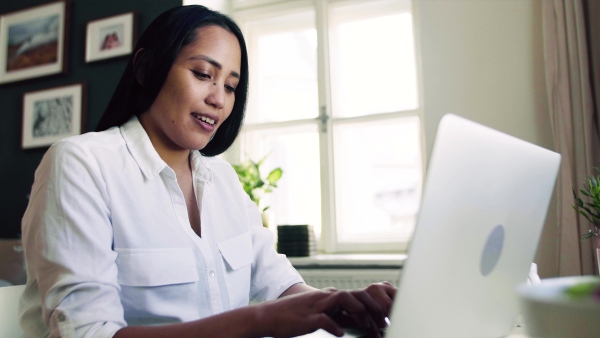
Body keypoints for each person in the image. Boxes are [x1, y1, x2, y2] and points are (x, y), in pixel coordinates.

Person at [19, 5, 396, 338]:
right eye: (203, 74)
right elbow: (89, 333)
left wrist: (345, 303)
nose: (218, 98)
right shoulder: (82, 164)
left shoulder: (224, 181)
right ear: (148, 68)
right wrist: (258, 321)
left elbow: (279, 285)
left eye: (231, 86)